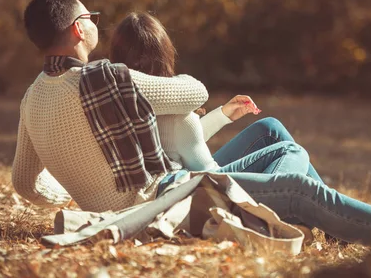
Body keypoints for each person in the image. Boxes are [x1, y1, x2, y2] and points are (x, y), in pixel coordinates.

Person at [12, 0, 371, 249]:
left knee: (276, 144)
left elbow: (24, 184)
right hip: (166, 200)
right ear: (75, 29)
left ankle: (337, 227)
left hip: (143, 202)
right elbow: (194, 92)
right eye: (90, 17)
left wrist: (82, 193)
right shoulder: (104, 78)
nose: (94, 24)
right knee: (296, 186)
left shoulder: (32, 99)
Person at [109, 12, 323, 181]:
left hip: (184, 179)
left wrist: (222, 115)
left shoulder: (112, 98)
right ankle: (312, 205)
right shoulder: (172, 106)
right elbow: (212, 175)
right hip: (204, 189)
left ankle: (322, 207)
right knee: (289, 151)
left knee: (270, 128)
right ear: (164, 55)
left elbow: (177, 141)